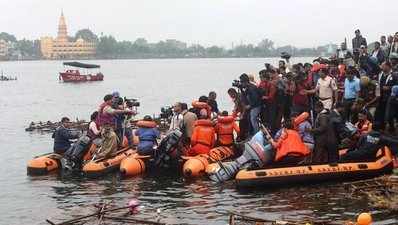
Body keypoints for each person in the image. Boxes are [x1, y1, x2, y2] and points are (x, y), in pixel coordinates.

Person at [375, 62, 396, 130]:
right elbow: (378, 86)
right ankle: (381, 128)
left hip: (390, 98)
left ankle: (392, 128)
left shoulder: (394, 75)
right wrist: (377, 95)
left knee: (389, 115)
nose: (381, 67)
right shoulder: (380, 74)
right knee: (379, 114)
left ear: (388, 66)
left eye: (383, 66)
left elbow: (396, 87)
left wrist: (389, 88)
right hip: (381, 97)